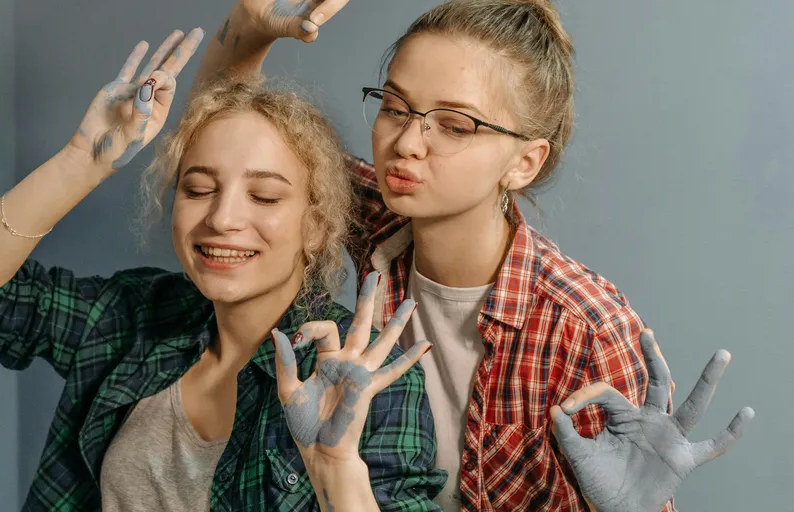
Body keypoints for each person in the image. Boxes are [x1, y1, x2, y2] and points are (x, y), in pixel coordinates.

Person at [190, 1, 756, 511]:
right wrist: (249, 27)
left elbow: (635, 489)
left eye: (456, 125)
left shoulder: (585, 330)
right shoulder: (382, 222)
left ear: (525, 163)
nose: (407, 142)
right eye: (394, 106)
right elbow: (230, 133)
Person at [0, 28, 445, 511]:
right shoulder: (136, 314)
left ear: (315, 225)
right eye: (198, 189)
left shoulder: (368, 379)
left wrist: (335, 473)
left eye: (264, 196)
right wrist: (85, 157)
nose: (222, 217)